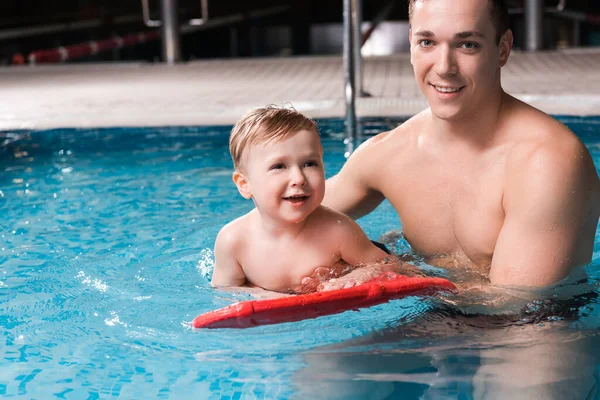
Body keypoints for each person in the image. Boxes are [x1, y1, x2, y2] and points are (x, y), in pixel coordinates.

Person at [317, 0, 600, 291]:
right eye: (427, 42)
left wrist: (387, 271)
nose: (444, 67)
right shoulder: (389, 153)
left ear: (502, 48)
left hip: (531, 330)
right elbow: (281, 217)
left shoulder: (548, 160)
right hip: (429, 321)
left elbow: (513, 305)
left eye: (467, 45)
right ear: (412, 45)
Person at [211, 105, 400, 294]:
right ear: (245, 184)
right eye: (279, 166)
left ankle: (390, 239)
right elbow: (225, 289)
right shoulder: (233, 241)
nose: (299, 178)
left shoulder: (338, 230)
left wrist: (356, 276)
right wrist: (262, 295)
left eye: (310, 163)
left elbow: (390, 265)